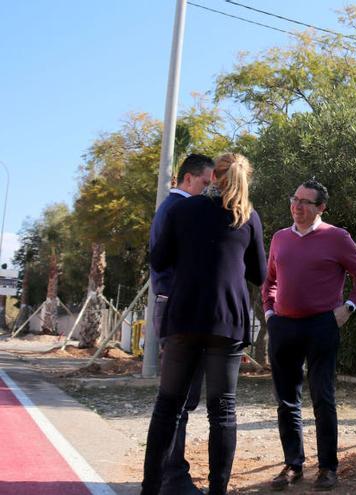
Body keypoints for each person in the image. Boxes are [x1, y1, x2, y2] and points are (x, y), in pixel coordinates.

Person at [142, 153, 267, 495]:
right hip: (227, 319)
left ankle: (150, 489)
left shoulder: (183, 210)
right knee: (222, 409)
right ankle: (217, 491)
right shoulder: (248, 217)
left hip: (184, 314)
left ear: (213, 176)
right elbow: (260, 273)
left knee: (168, 405)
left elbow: (159, 258)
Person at [262, 179, 356, 491]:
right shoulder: (280, 238)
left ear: (321, 208)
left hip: (321, 327)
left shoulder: (336, 237)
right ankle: (292, 465)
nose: (297, 206)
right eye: (295, 199)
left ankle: (327, 468)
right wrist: (269, 312)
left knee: (323, 398)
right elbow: (269, 280)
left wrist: (348, 307)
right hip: (283, 326)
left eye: (306, 202)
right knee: (286, 401)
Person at [148, 153, 214, 495]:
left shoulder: (174, 208)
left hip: (174, 307)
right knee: (177, 400)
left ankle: (165, 476)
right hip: (178, 309)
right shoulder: (178, 209)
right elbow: (161, 262)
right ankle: (172, 478)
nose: (208, 190)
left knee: (178, 401)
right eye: (205, 183)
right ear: (188, 179)